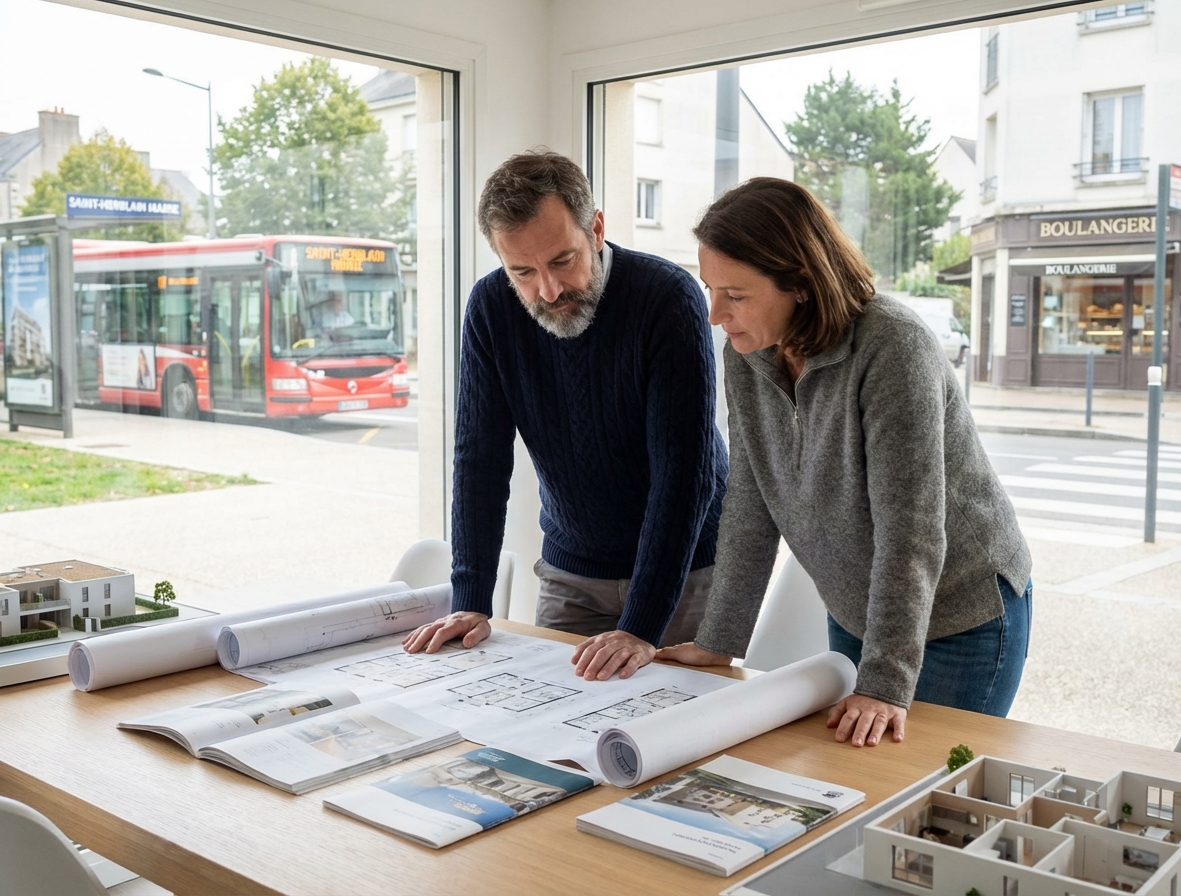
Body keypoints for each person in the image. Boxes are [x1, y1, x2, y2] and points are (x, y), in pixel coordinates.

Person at [658, 178, 1033, 748]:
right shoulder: (750, 350)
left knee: (931, 790)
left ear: (801, 284)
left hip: (962, 613)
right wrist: (720, 640)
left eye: (735, 294)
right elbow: (751, 503)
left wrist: (884, 683)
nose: (715, 314)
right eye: (711, 289)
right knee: (859, 783)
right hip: (857, 610)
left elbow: (910, 531)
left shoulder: (892, 346)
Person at [403, 150, 727, 682]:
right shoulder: (490, 309)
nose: (548, 290)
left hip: (691, 571)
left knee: (678, 736)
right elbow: (479, 460)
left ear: (596, 229)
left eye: (562, 260)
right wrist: (471, 599)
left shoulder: (667, 297)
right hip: (571, 572)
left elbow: (683, 472)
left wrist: (641, 626)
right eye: (522, 272)